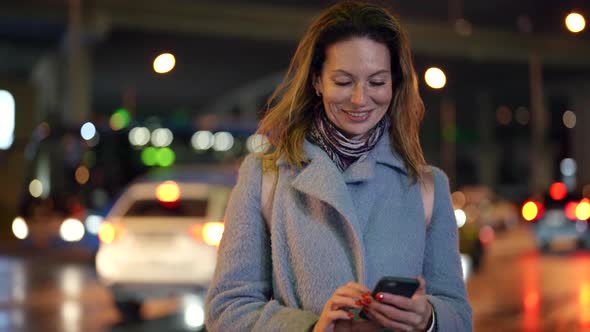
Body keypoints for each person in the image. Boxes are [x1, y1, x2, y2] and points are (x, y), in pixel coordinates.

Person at [205, 1, 472, 331]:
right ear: (317, 81)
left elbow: (458, 314)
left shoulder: (428, 185)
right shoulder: (265, 176)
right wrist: (310, 328)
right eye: (344, 82)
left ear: (395, 83)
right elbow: (227, 310)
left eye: (377, 82)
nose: (360, 99)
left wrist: (428, 318)